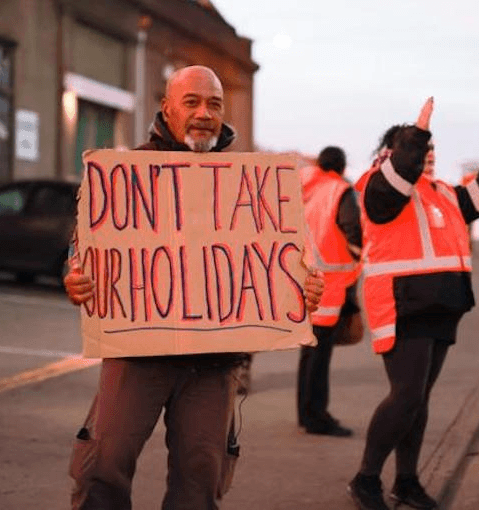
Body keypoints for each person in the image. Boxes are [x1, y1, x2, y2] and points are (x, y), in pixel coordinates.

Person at [64, 65, 325, 510]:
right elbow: (81, 250)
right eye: (192, 102)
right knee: (104, 466)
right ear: (167, 107)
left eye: (214, 104)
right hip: (137, 352)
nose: (205, 113)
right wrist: (74, 278)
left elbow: (283, 260)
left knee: (200, 479)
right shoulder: (126, 173)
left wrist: (303, 289)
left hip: (214, 363)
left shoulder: (251, 184)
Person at [347, 97, 479, 510]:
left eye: (430, 150)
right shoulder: (380, 187)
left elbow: (478, 200)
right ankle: (365, 479)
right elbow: (397, 179)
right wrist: (418, 133)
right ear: (393, 154)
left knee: (419, 400)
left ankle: (406, 482)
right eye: (418, 149)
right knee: (406, 396)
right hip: (402, 304)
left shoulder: (441, 192)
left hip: (442, 303)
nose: (427, 155)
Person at [297, 146, 362, 437]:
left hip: (301, 280)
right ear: (342, 168)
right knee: (319, 356)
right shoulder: (340, 192)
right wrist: (358, 256)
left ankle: (305, 413)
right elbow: (354, 233)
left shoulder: (303, 189)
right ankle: (316, 417)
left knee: (308, 352)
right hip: (330, 284)